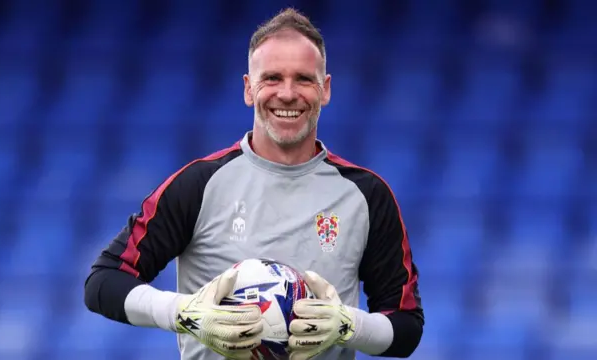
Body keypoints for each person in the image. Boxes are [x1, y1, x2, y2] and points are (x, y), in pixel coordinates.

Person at [84, 7, 424, 360]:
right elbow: (103, 282)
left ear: (325, 90)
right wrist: (187, 314)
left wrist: (348, 325)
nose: (288, 94)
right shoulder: (199, 184)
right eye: (272, 78)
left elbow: (406, 326)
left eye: (304, 79)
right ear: (249, 89)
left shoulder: (366, 196)